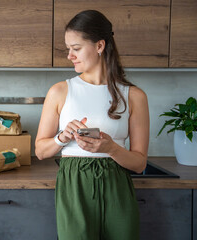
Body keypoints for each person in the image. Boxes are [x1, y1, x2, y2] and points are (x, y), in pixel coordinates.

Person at [35, 10, 149, 240]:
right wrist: (62, 137)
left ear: (99, 46)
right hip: (74, 184)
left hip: (117, 184)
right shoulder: (59, 91)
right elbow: (39, 151)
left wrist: (111, 149)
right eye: (68, 48)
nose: (69, 55)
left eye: (76, 48)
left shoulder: (134, 96)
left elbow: (139, 163)